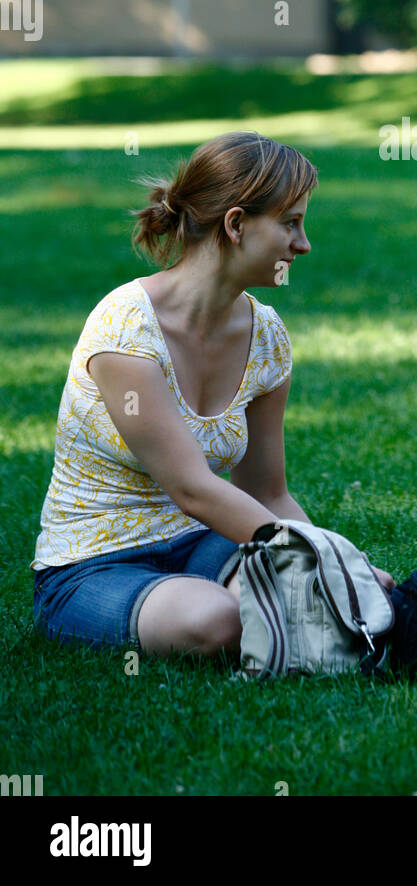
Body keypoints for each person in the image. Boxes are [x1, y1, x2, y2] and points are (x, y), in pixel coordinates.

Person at [31, 131, 393, 659]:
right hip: (96, 563)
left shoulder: (266, 336)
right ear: (237, 224)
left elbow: (269, 494)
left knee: (292, 599)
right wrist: (324, 560)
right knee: (218, 621)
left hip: (204, 543)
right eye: (290, 223)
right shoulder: (124, 329)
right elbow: (193, 489)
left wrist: (334, 565)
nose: (304, 244)